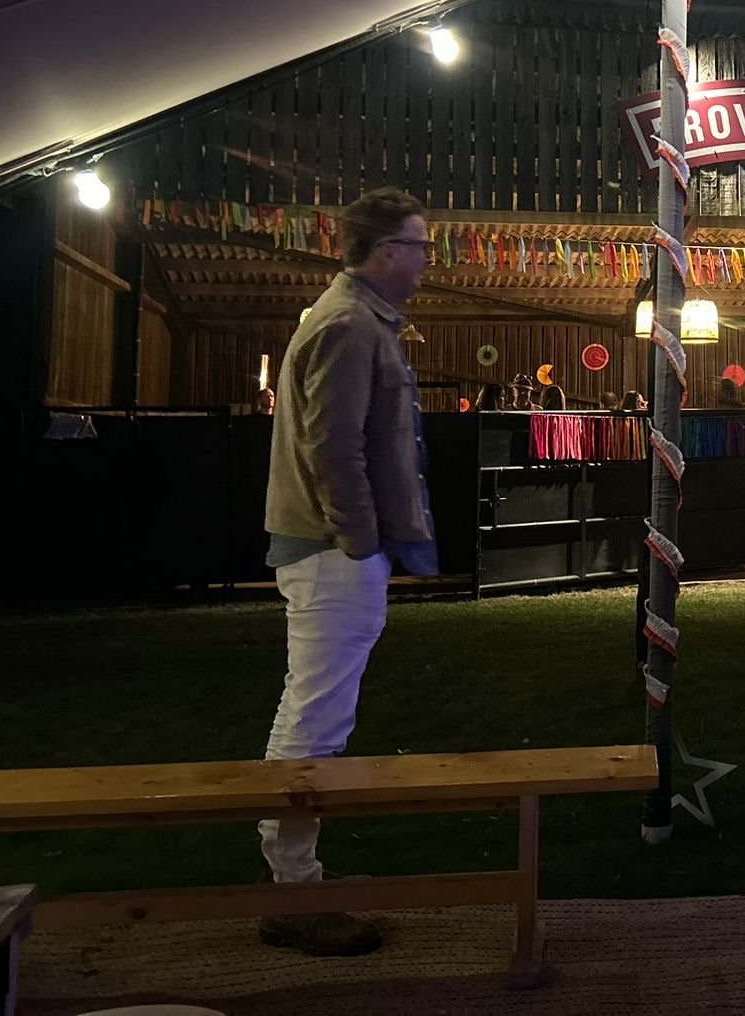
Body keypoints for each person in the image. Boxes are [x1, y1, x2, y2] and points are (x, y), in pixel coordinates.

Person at [257, 186, 439, 955]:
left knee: (315, 712)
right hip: (333, 552)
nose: (427, 260)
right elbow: (334, 448)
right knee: (314, 720)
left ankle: (297, 880)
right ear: (386, 250)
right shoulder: (346, 324)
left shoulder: (353, 318)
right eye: (420, 246)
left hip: (332, 548)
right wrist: (361, 544)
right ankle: (294, 894)